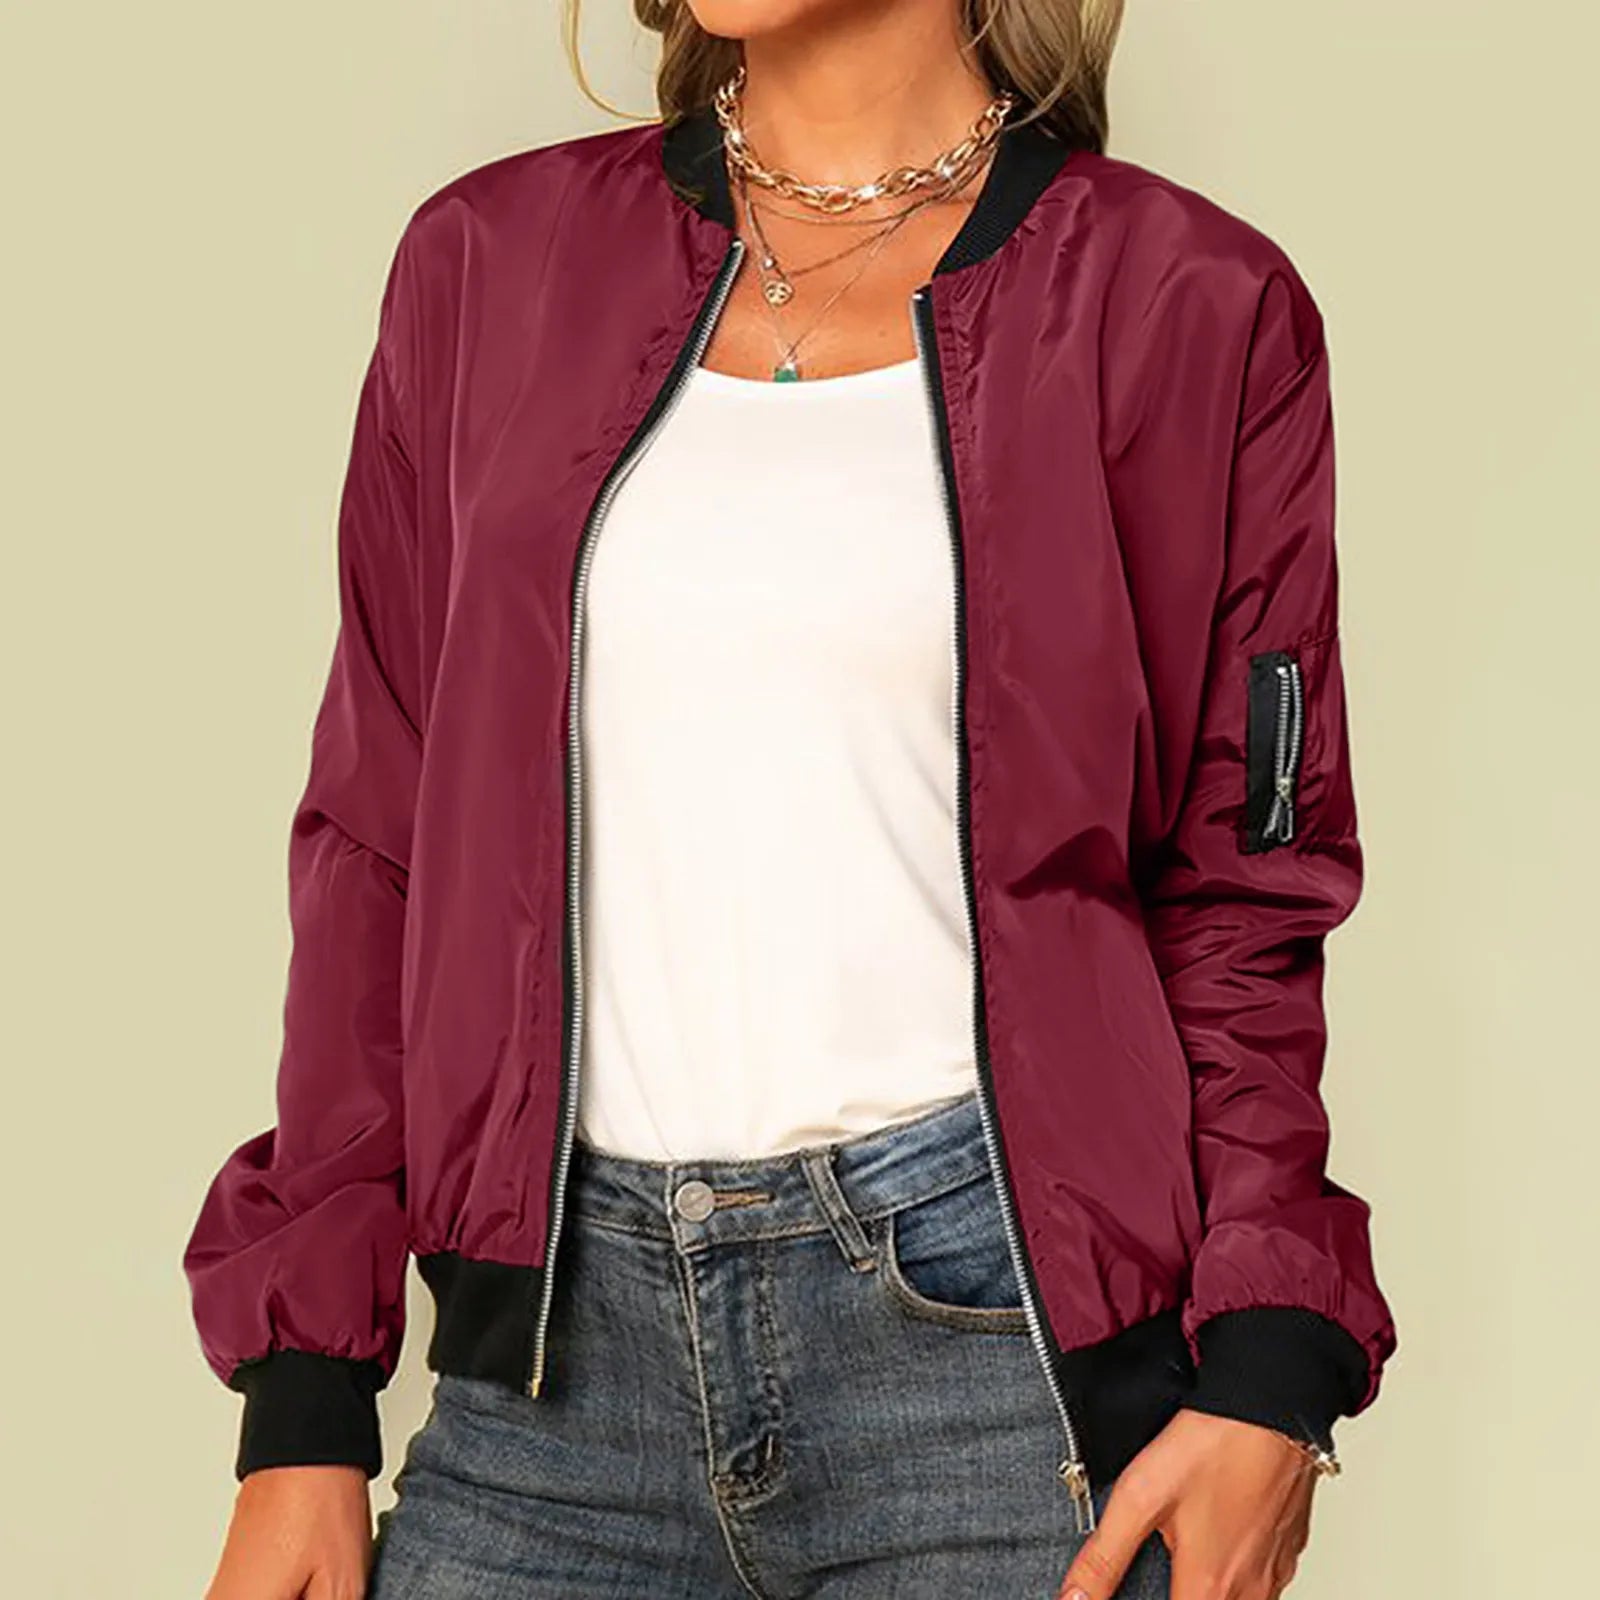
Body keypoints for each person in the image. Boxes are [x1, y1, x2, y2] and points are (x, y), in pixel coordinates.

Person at [187, 4, 1397, 1597]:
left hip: (991, 1370)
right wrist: (304, 1403)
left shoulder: (1185, 301)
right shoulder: (490, 264)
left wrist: (1270, 1364)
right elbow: (376, 842)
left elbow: (1244, 892)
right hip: (549, 1386)